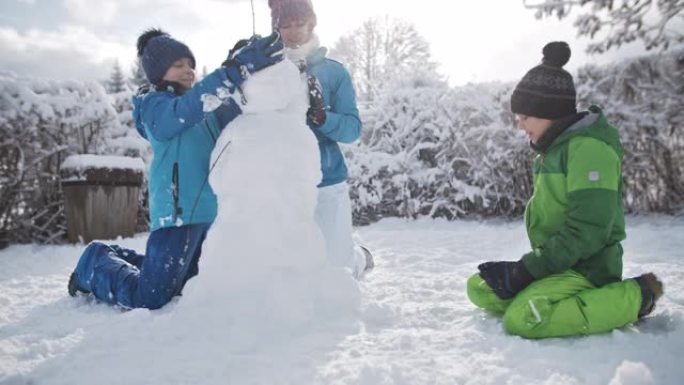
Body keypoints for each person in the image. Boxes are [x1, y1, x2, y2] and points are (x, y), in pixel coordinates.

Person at [67, 28, 284, 309]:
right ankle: (94, 262)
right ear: (158, 72)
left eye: (191, 65)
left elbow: (237, 114)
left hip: (210, 213)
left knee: (182, 283)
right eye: (178, 64)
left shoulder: (203, 107)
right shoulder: (154, 107)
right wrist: (232, 72)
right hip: (176, 217)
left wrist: (247, 73)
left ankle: (119, 259)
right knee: (150, 298)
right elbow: (183, 113)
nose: (188, 70)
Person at [466, 41, 664, 339]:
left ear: (548, 112)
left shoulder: (589, 150)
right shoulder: (551, 152)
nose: (520, 126)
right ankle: (550, 296)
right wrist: (525, 271)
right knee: (478, 287)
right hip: (557, 264)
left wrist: (525, 272)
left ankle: (636, 296)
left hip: (587, 269)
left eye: (524, 117)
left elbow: (588, 231)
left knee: (522, 319)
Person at [268, 0, 373, 278]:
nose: (292, 32)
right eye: (285, 25)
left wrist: (324, 118)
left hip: (327, 180)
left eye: (299, 23)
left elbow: (352, 129)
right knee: (289, 268)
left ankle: (359, 255)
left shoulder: (334, 72)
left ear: (312, 23)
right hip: (282, 181)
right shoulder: (266, 71)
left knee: (338, 269)